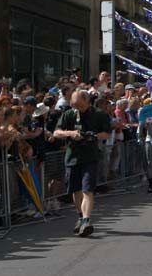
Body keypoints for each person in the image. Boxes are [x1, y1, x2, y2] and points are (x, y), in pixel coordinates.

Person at [53, 90, 112, 237]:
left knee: (87, 189)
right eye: (74, 104)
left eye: (79, 104)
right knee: (76, 190)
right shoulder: (69, 114)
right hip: (72, 157)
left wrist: (94, 136)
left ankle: (86, 220)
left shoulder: (99, 115)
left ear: (87, 101)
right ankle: (80, 217)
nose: (76, 107)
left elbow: (107, 133)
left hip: (90, 157)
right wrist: (71, 133)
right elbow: (56, 133)